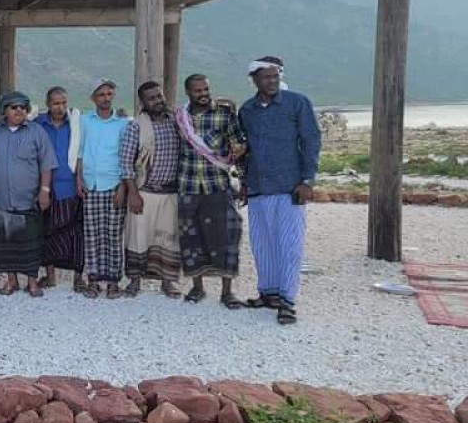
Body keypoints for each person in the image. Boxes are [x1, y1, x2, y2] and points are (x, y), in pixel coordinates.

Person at [239, 59, 321, 325]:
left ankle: (287, 300)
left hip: (289, 186)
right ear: (254, 79)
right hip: (257, 187)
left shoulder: (297, 103)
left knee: (290, 244)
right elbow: (243, 149)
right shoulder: (247, 110)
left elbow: (311, 140)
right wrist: (243, 182)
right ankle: (268, 293)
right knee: (262, 244)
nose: (272, 82)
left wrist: (307, 180)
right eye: (266, 77)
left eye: (275, 77)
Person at [175, 73, 246, 308]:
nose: (203, 94)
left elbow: (239, 144)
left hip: (218, 184)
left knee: (226, 235)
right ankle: (197, 287)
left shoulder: (225, 114)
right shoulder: (180, 117)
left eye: (206, 89)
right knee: (191, 236)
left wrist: (239, 155)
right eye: (198, 91)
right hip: (188, 185)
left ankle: (227, 292)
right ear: (188, 92)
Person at [0, 91, 56, 297]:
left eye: (22, 107)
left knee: (31, 244)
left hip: (28, 201)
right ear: (4, 111)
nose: (19, 111)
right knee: (4, 243)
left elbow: (47, 164)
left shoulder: (37, 132)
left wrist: (44, 191)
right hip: (1, 200)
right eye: (14, 107)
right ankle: (11, 281)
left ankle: (32, 283)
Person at [119, 81, 183, 298]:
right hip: (145, 191)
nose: (157, 101)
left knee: (168, 238)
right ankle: (135, 281)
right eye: (152, 98)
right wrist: (133, 194)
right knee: (138, 237)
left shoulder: (178, 122)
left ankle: (168, 282)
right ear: (143, 102)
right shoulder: (136, 126)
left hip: (171, 192)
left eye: (159, 96)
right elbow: (126, 163)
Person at [76, 79, 129, 299]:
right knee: (92, 234)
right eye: (101, 95)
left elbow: (127, 158)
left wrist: (123, 188)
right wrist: (78, 178)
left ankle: (114, 281)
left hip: (114, 185)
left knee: (113, 235)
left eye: (109, 94)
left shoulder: (123, 124)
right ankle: (94, 280)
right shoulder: (85, 121)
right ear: (93, 98)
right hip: (91, 185)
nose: (106, 98)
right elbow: (79, 151)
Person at [34, 87, 85, 292]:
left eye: (64, 102)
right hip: (45, 187)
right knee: (47, 232)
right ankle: (50, 276)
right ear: (48, 104)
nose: (60, 107)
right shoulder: (38, 125)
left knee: (75, 233)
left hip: (70, 187)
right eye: (56, 103)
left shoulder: (75, 125)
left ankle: (78, 278)